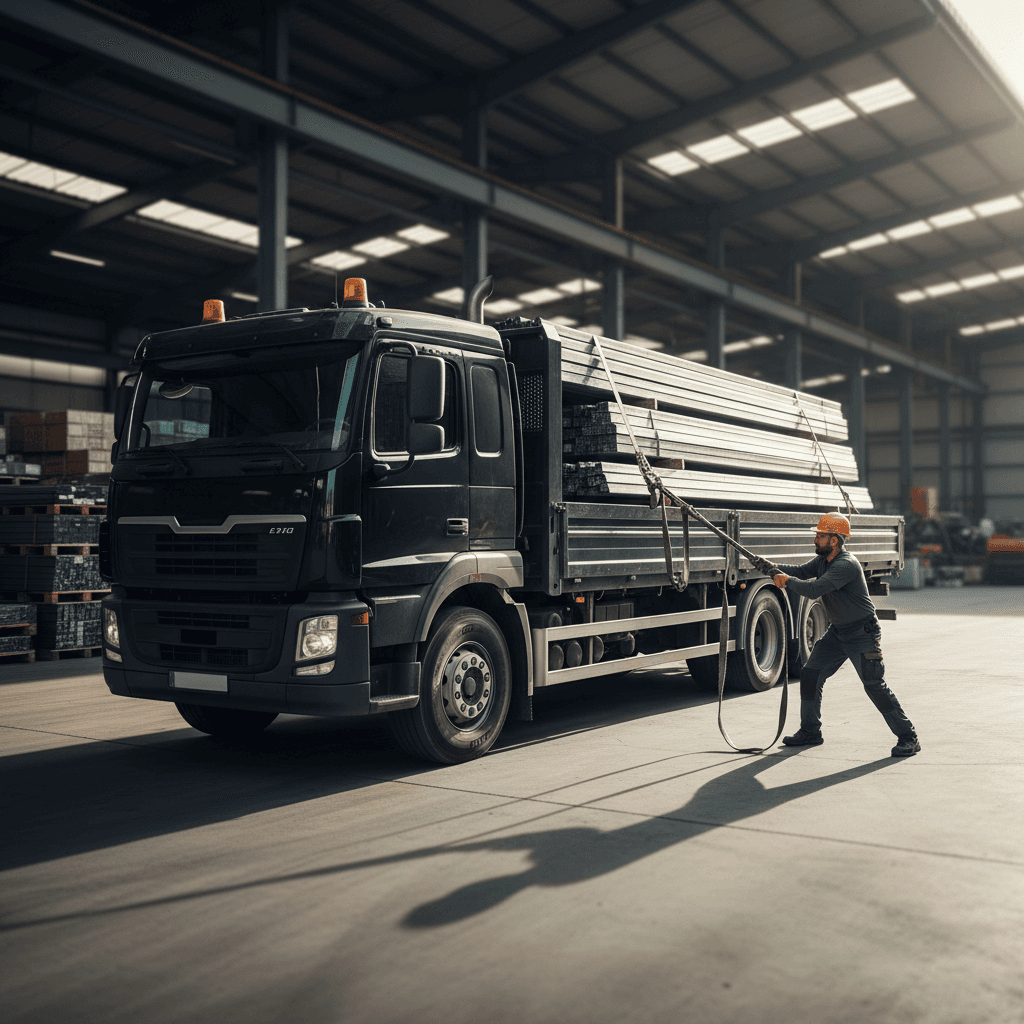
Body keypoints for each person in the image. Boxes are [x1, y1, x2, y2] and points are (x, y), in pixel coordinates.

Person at [750, 513, 920, 757]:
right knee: (810, 674)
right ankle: (810, 731)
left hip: (862, 633)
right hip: (838, 632)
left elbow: (813, 589)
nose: (816, 539)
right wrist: (769, 567)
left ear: (834, 540)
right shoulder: (823, 561)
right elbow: (800, 570)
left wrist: (785, 581)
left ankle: (909, 736)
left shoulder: (845, 564)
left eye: (820, 536)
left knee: (874, 685)